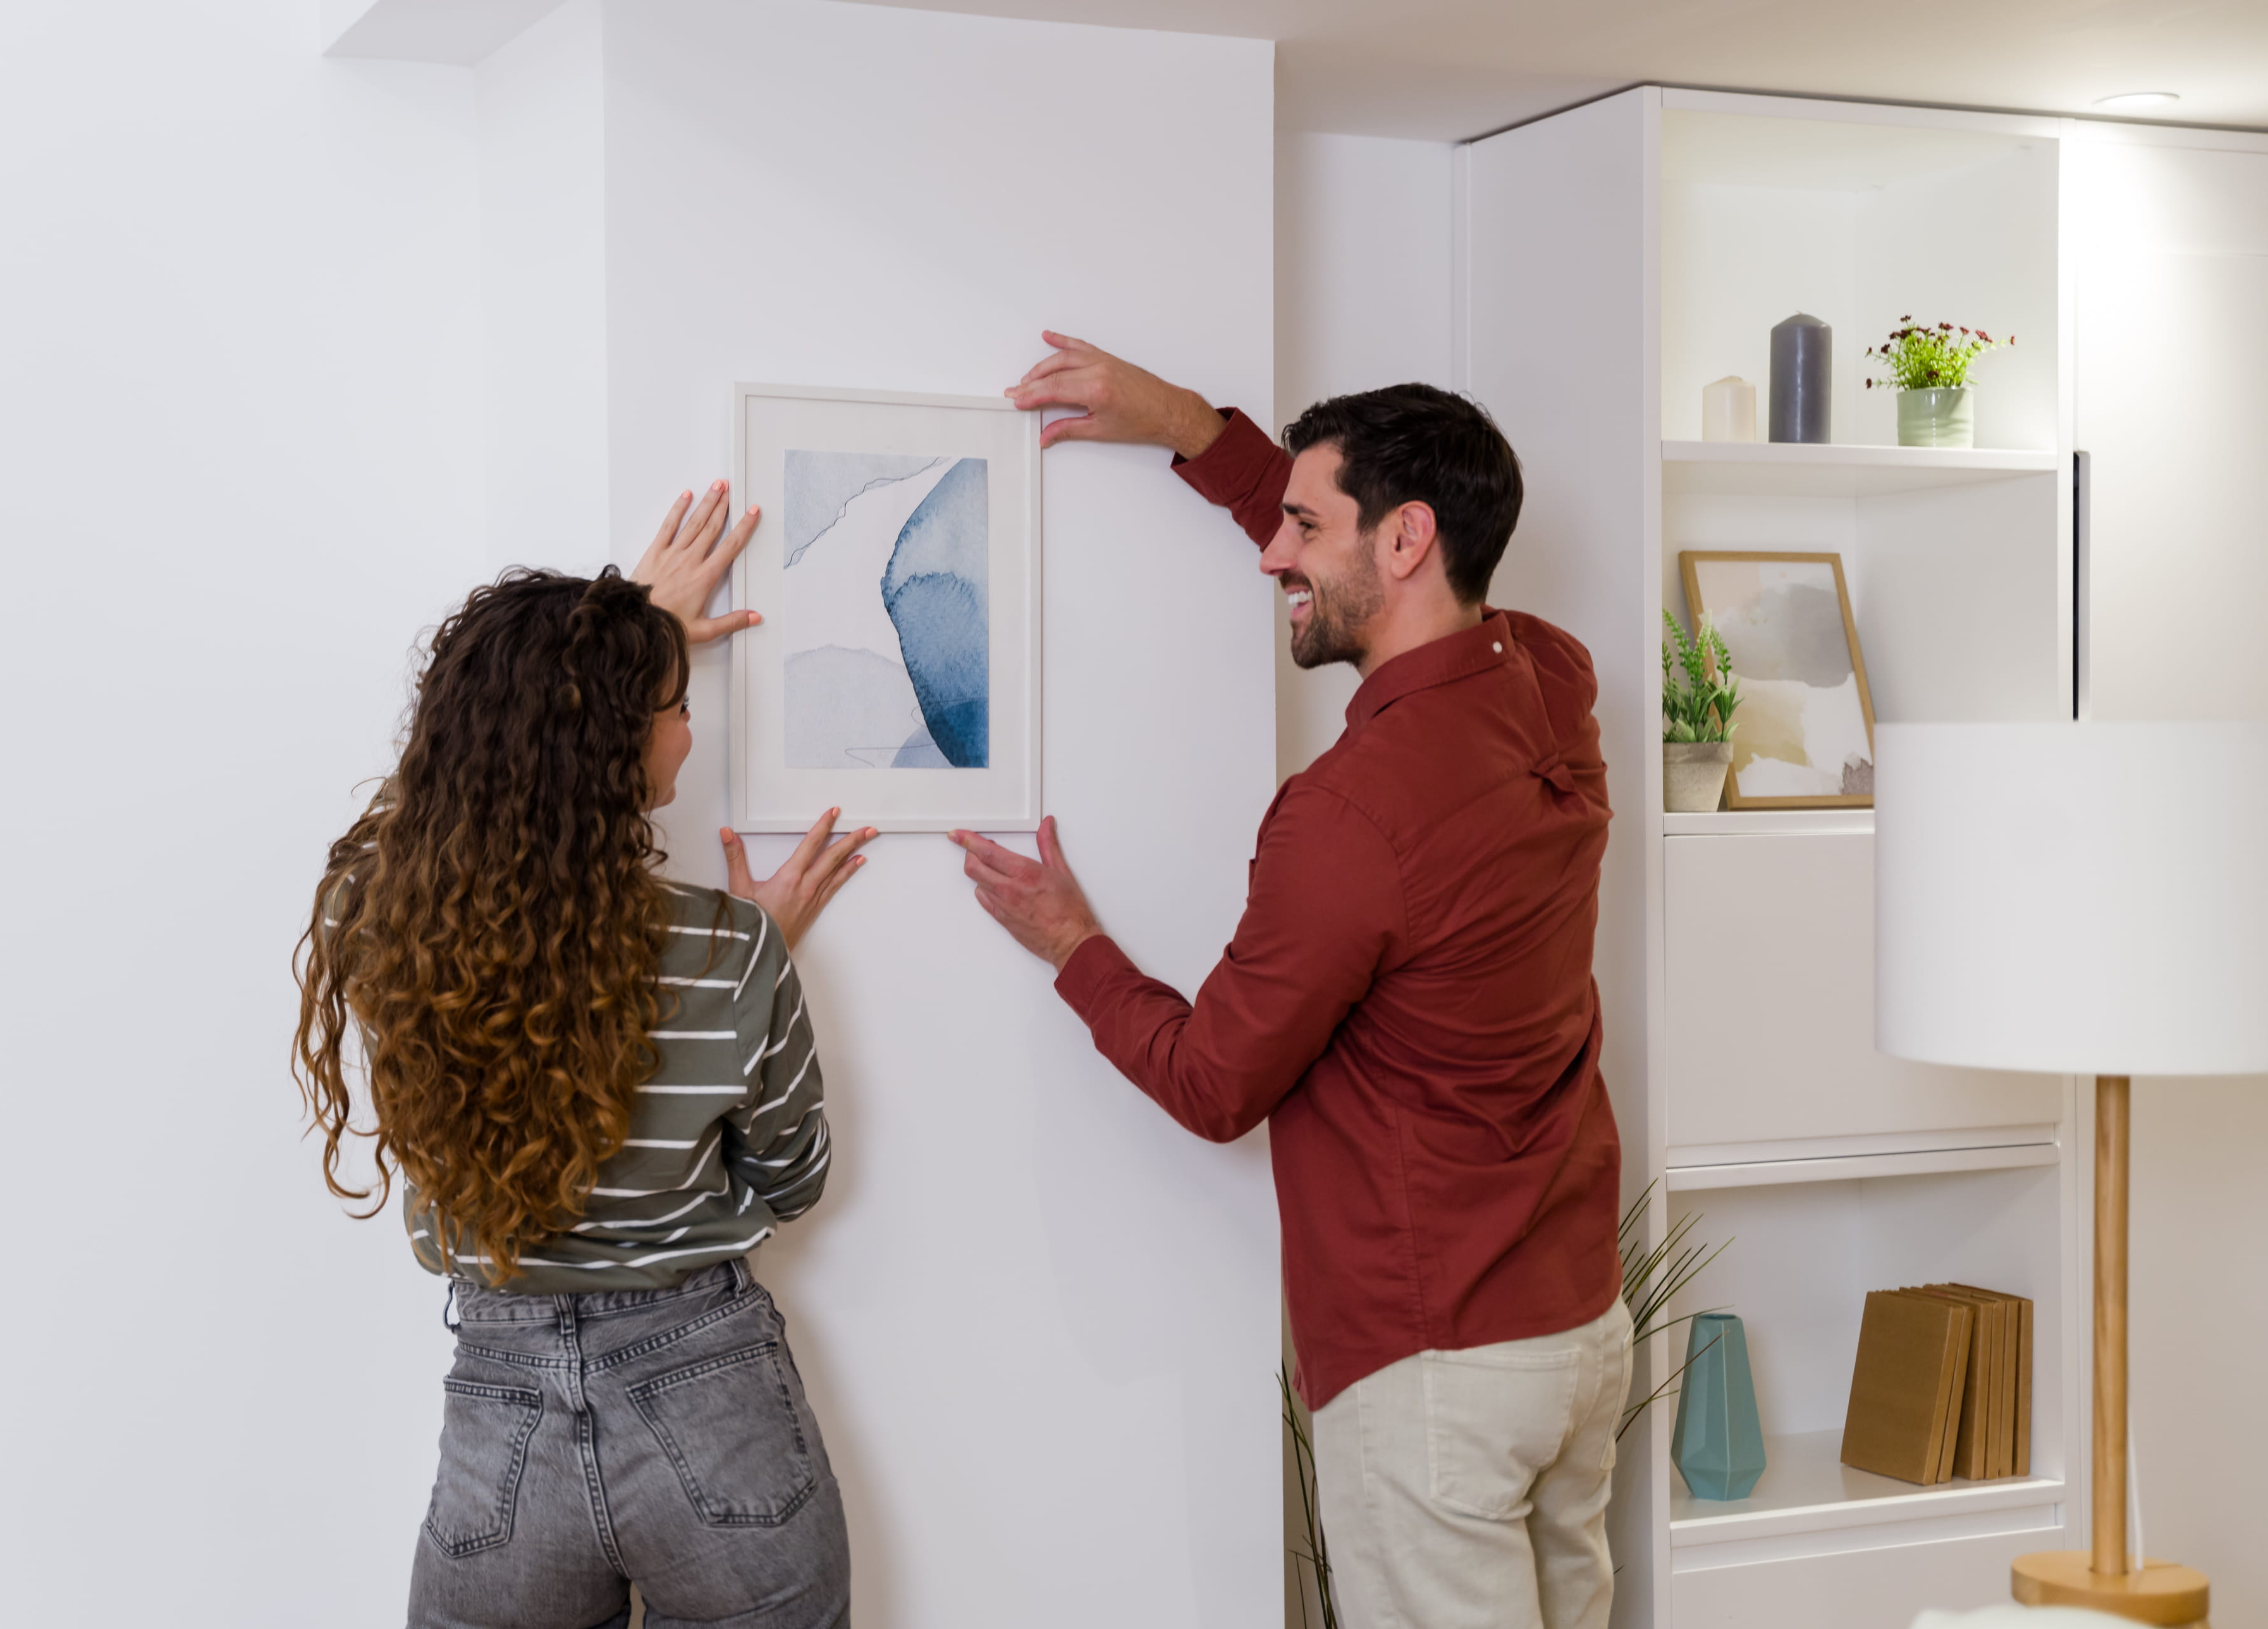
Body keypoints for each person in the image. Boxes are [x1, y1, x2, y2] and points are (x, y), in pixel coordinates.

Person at [953, 335, 1629, 1629]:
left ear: (1405, 540)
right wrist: (1184, 424)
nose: (1274, 552)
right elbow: (1345, 559)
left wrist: (1074, 948)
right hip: (1574, 1332)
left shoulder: (1348, 817)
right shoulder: (1552, 679)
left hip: (1437, 1365)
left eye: (1303, 526)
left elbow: (1215, 1083)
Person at [295, 485, 873, 1629]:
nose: (689, 731)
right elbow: (793, 1179)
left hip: (498, 1415)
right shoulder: (728, 949)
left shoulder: (383, 921)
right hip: (711, 1390)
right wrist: (747, 969)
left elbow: (452, 793)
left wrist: (597, 652)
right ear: (613, 742)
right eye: (671, 705)